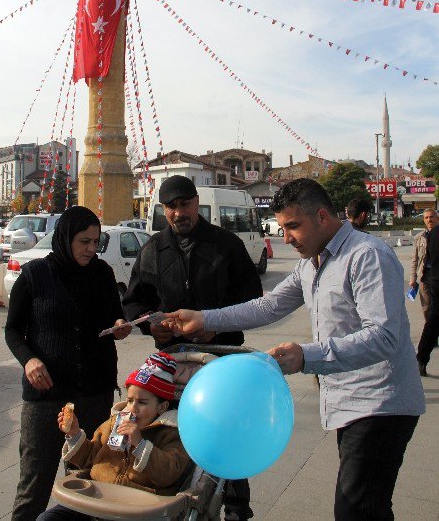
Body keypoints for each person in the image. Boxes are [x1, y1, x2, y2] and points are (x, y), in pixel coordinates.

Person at [164, 178, 426, 521]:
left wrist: (307, 356)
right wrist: (203, 318)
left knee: (355, 509)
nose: (285, 238)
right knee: (368, 507)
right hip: (347, 401)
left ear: (321, 216)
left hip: (381, 403)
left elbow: (384, 337)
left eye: (292, 227)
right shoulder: (311, 262)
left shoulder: (367, 256)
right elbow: (266, 307)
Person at [122, 175, 263, 521]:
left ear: (197, 203)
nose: (179, 213)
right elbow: (132, 305)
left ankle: (236, 508)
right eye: (171, 207)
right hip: (170, 364)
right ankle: (178, 501)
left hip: (221, 359)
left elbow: (253, 300)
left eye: (185, 204)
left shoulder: (226, 245)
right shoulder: (152, 250)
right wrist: (152, 326)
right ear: (163, 209)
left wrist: (214, 326)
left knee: (225, 433)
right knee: (173, 433)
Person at [5, 205, 131, 521]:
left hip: (92, 394)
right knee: (33, 488)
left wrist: (120, 324)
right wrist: (28, 359)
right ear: (65, 238)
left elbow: (114, 315)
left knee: (84, 487)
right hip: (46, 398)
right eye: (84, 242)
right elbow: (12, 330)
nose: (91, 249)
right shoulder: (35, 274)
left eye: (95, 242)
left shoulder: (103, 274)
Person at [37, 352, 190, 520]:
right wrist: (74, 433)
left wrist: (140, 444)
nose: (133, 408)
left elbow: (168, 473)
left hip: (138, 509)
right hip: (97, 497)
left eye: (142, 402)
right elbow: (91, 457)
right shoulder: (114, 423)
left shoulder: (171, 433)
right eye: (130, 400)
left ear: (162, 407)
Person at [417, 223, 439, 376]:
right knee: (434, 321)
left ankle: (421, 360)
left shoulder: (434, 232)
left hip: (435, 282)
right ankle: (421, 359)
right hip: (437, 282)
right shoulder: (436, 232)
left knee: (433, 321)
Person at [410, 208, 439, 321]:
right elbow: (415, 259)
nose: (429, 220)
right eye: (426, 218)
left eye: (431, 217)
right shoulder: (419, 237)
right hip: (424, 277)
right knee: (426, 308)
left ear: (437, 218)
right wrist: (413, 278)